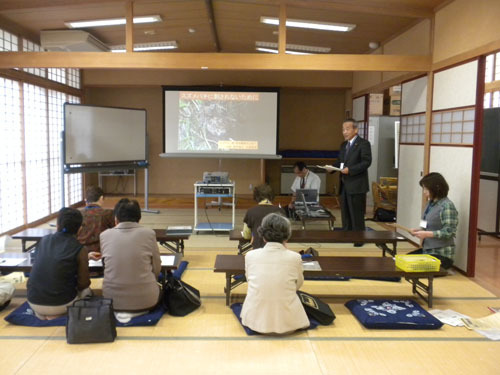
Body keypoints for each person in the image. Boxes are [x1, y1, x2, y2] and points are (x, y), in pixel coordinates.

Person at [241, 213, 309, 334]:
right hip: (289, 320)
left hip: (254, 318)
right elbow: (298, 284)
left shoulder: (250, 256)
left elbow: (249, 280)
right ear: (287, 236)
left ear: (263, 236)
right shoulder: (295, 257)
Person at [99, 198, 161, 315]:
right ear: (139, 218)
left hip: (112, 301)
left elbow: (106, 266)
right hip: (147, 301)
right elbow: (156, 268)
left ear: (116, 218)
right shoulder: (149, 233)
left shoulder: (104, 235)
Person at [27, 208, 91, 320]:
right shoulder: (79, 249)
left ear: (57, 225)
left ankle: (44, 314)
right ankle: (58, 314)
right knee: (87, 291)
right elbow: (83, 283)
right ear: (80, 229)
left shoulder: (44, 241)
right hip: (61, 302)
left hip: (33, 301)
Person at [324, 119, 371, 243]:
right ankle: (346, 236)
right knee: (345, 213)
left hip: (357, 184)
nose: (344, 132)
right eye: (343, 129)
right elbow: (340, 162)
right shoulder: (343, 145)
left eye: (347, 129)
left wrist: (350, 170)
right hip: (344, 184)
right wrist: (331, 168)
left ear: (355, 130)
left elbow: (366, 162)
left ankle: (358, 239)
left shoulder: (363, 144)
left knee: (356, 214)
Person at [410, 172, 458, 269]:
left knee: (411, 267)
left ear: (436, 188)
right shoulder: (429, 204)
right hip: (427, 250)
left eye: (426, 189)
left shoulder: (447, 206)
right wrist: (418, 231)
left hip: (442, 255)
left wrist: (427, 234)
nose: (424, 192)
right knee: (400, 261)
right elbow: (425, 224)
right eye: (423, 188)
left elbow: (449, 232)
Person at [242, 184, 285, 250]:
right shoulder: (280, 211)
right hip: (278, 250)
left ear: (256, 197)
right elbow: (285, 234)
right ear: (272, 196)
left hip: (257, 250)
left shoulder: (251, 211)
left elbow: (246, 235)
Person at [77, 185, 114, 258]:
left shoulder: (77, 214)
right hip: (101, 252)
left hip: (80, 253)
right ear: (101, 198)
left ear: (86, 200)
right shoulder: (108, 214)